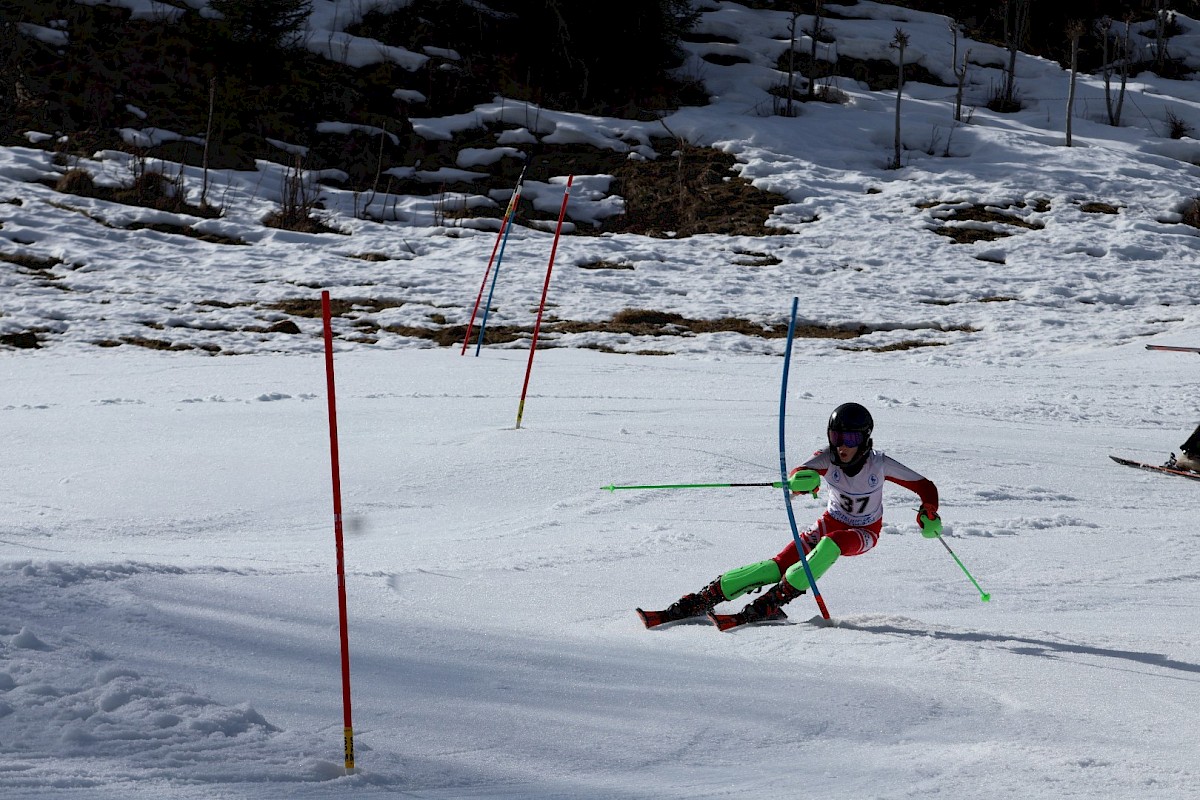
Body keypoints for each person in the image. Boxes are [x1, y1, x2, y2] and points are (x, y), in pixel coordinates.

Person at [638, 402, 942, 629]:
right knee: (776, 566)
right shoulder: (827, 457)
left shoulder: (880, 464)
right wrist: (802, 481)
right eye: (836, 436)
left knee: (832, 544)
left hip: (864, 533)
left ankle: (772, 602)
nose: (842, 446)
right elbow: (801, 472)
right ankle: (704, 598)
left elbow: (925, 486)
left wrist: (928, 511)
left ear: (864, 439)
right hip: (830, 523)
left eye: (850, 439)